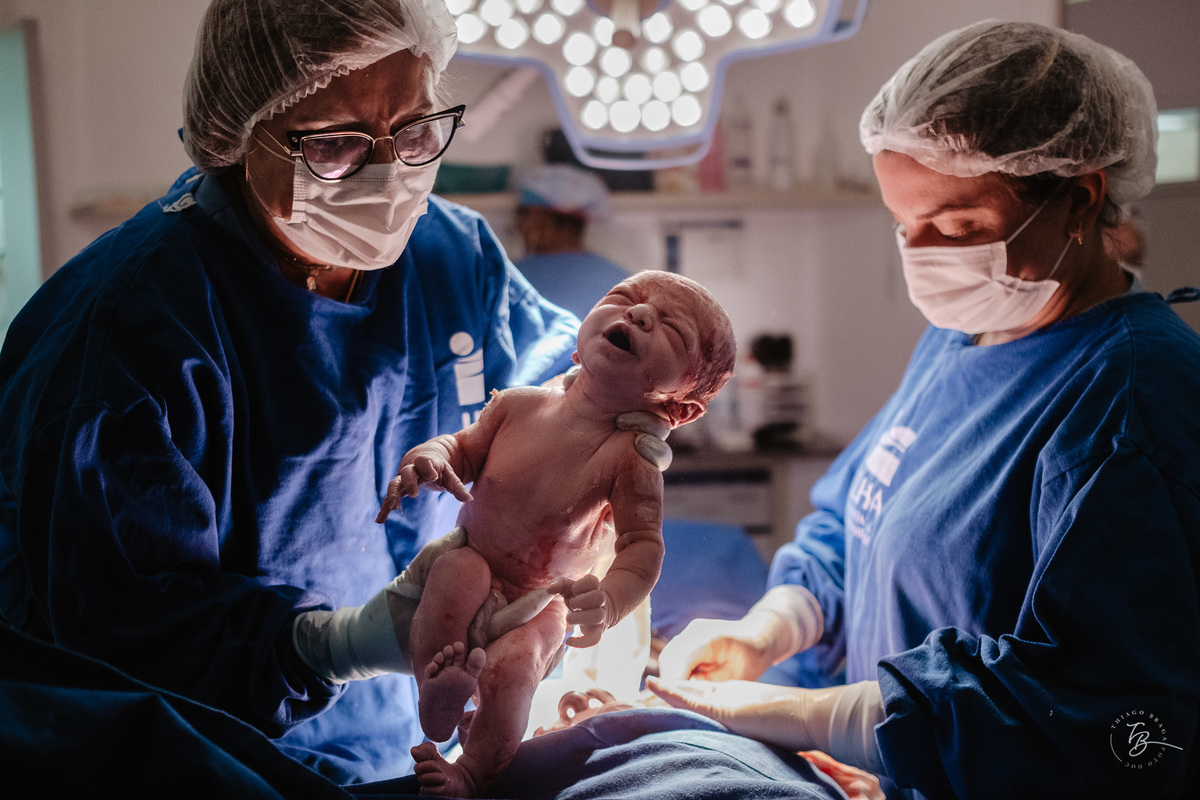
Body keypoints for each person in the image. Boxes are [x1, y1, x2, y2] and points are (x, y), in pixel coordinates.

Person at [0, 0, 594, 784]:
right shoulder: (126, 329)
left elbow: (562, 405)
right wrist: (346, 644)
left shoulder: (453, 254)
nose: (390, 172)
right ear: (238, 132)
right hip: (235, 769)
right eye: (339, 144)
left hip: (426, 760)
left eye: (415, 130)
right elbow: (117, 638)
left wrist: (594, 493)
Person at [650, 19, 1200, 800]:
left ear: (1081, 198)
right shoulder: (965, 336)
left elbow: (1111, 724)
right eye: (906, 226)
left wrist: (820, 718)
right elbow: (859, 523)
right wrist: (769, 629)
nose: (925, 254)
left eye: (959, 226)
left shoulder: (1129, 410)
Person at [375, 270, 737, 796]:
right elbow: (464, 449)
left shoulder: (629, 460)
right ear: (577, 345)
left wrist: (610, 602)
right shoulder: (518, 405)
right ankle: (437, 695)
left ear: (677, 406)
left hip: (544, 599)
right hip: (476, 556)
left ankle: (473, 770)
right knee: (455, 574)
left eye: (671, 332)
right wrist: (432, 456)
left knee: (517, 667)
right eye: (623, 299)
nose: (637, 315)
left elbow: (642, 547)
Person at [512, 164, 630, 320]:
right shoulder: (619, 281)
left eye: (524, 214)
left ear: (542, 221)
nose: (517, 225)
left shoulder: (511, 278)